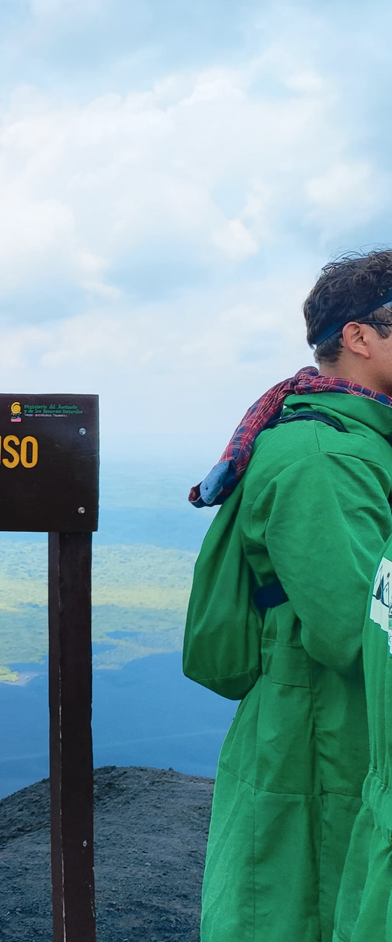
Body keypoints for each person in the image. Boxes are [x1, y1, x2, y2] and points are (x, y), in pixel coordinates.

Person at [186, 253, 392, 942]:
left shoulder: (361, 441)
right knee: (303, 906)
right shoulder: (322, 457)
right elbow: (353, 630)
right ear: (361, 338)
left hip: (340, 733)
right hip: (322, 741)